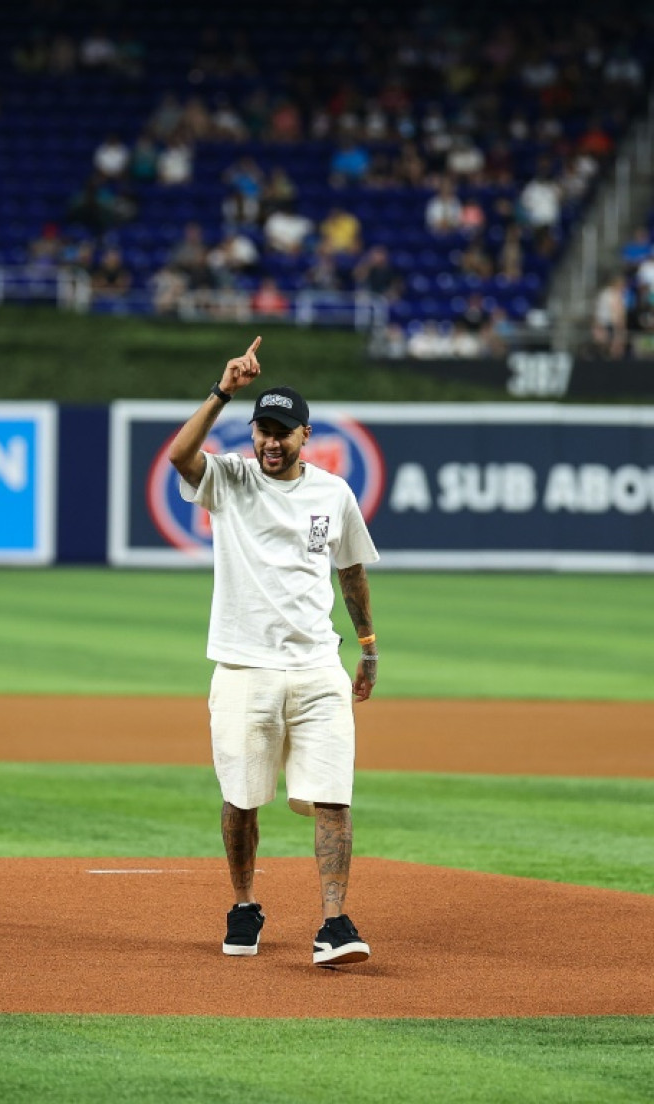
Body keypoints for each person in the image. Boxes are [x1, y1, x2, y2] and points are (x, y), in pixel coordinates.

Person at [169, 337, 379, 967]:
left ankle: (334, 924)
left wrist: (367, 647)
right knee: (240, 797)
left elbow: (352, 572)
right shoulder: (229, 478)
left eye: (282, 432)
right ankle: (243, 904)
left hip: (319, 665)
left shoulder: (334, 494)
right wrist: (222, 389)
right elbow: (181, 455)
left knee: (334, 795)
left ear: (304, 435)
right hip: (242, 666)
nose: (269, 441)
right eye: (262, 429)